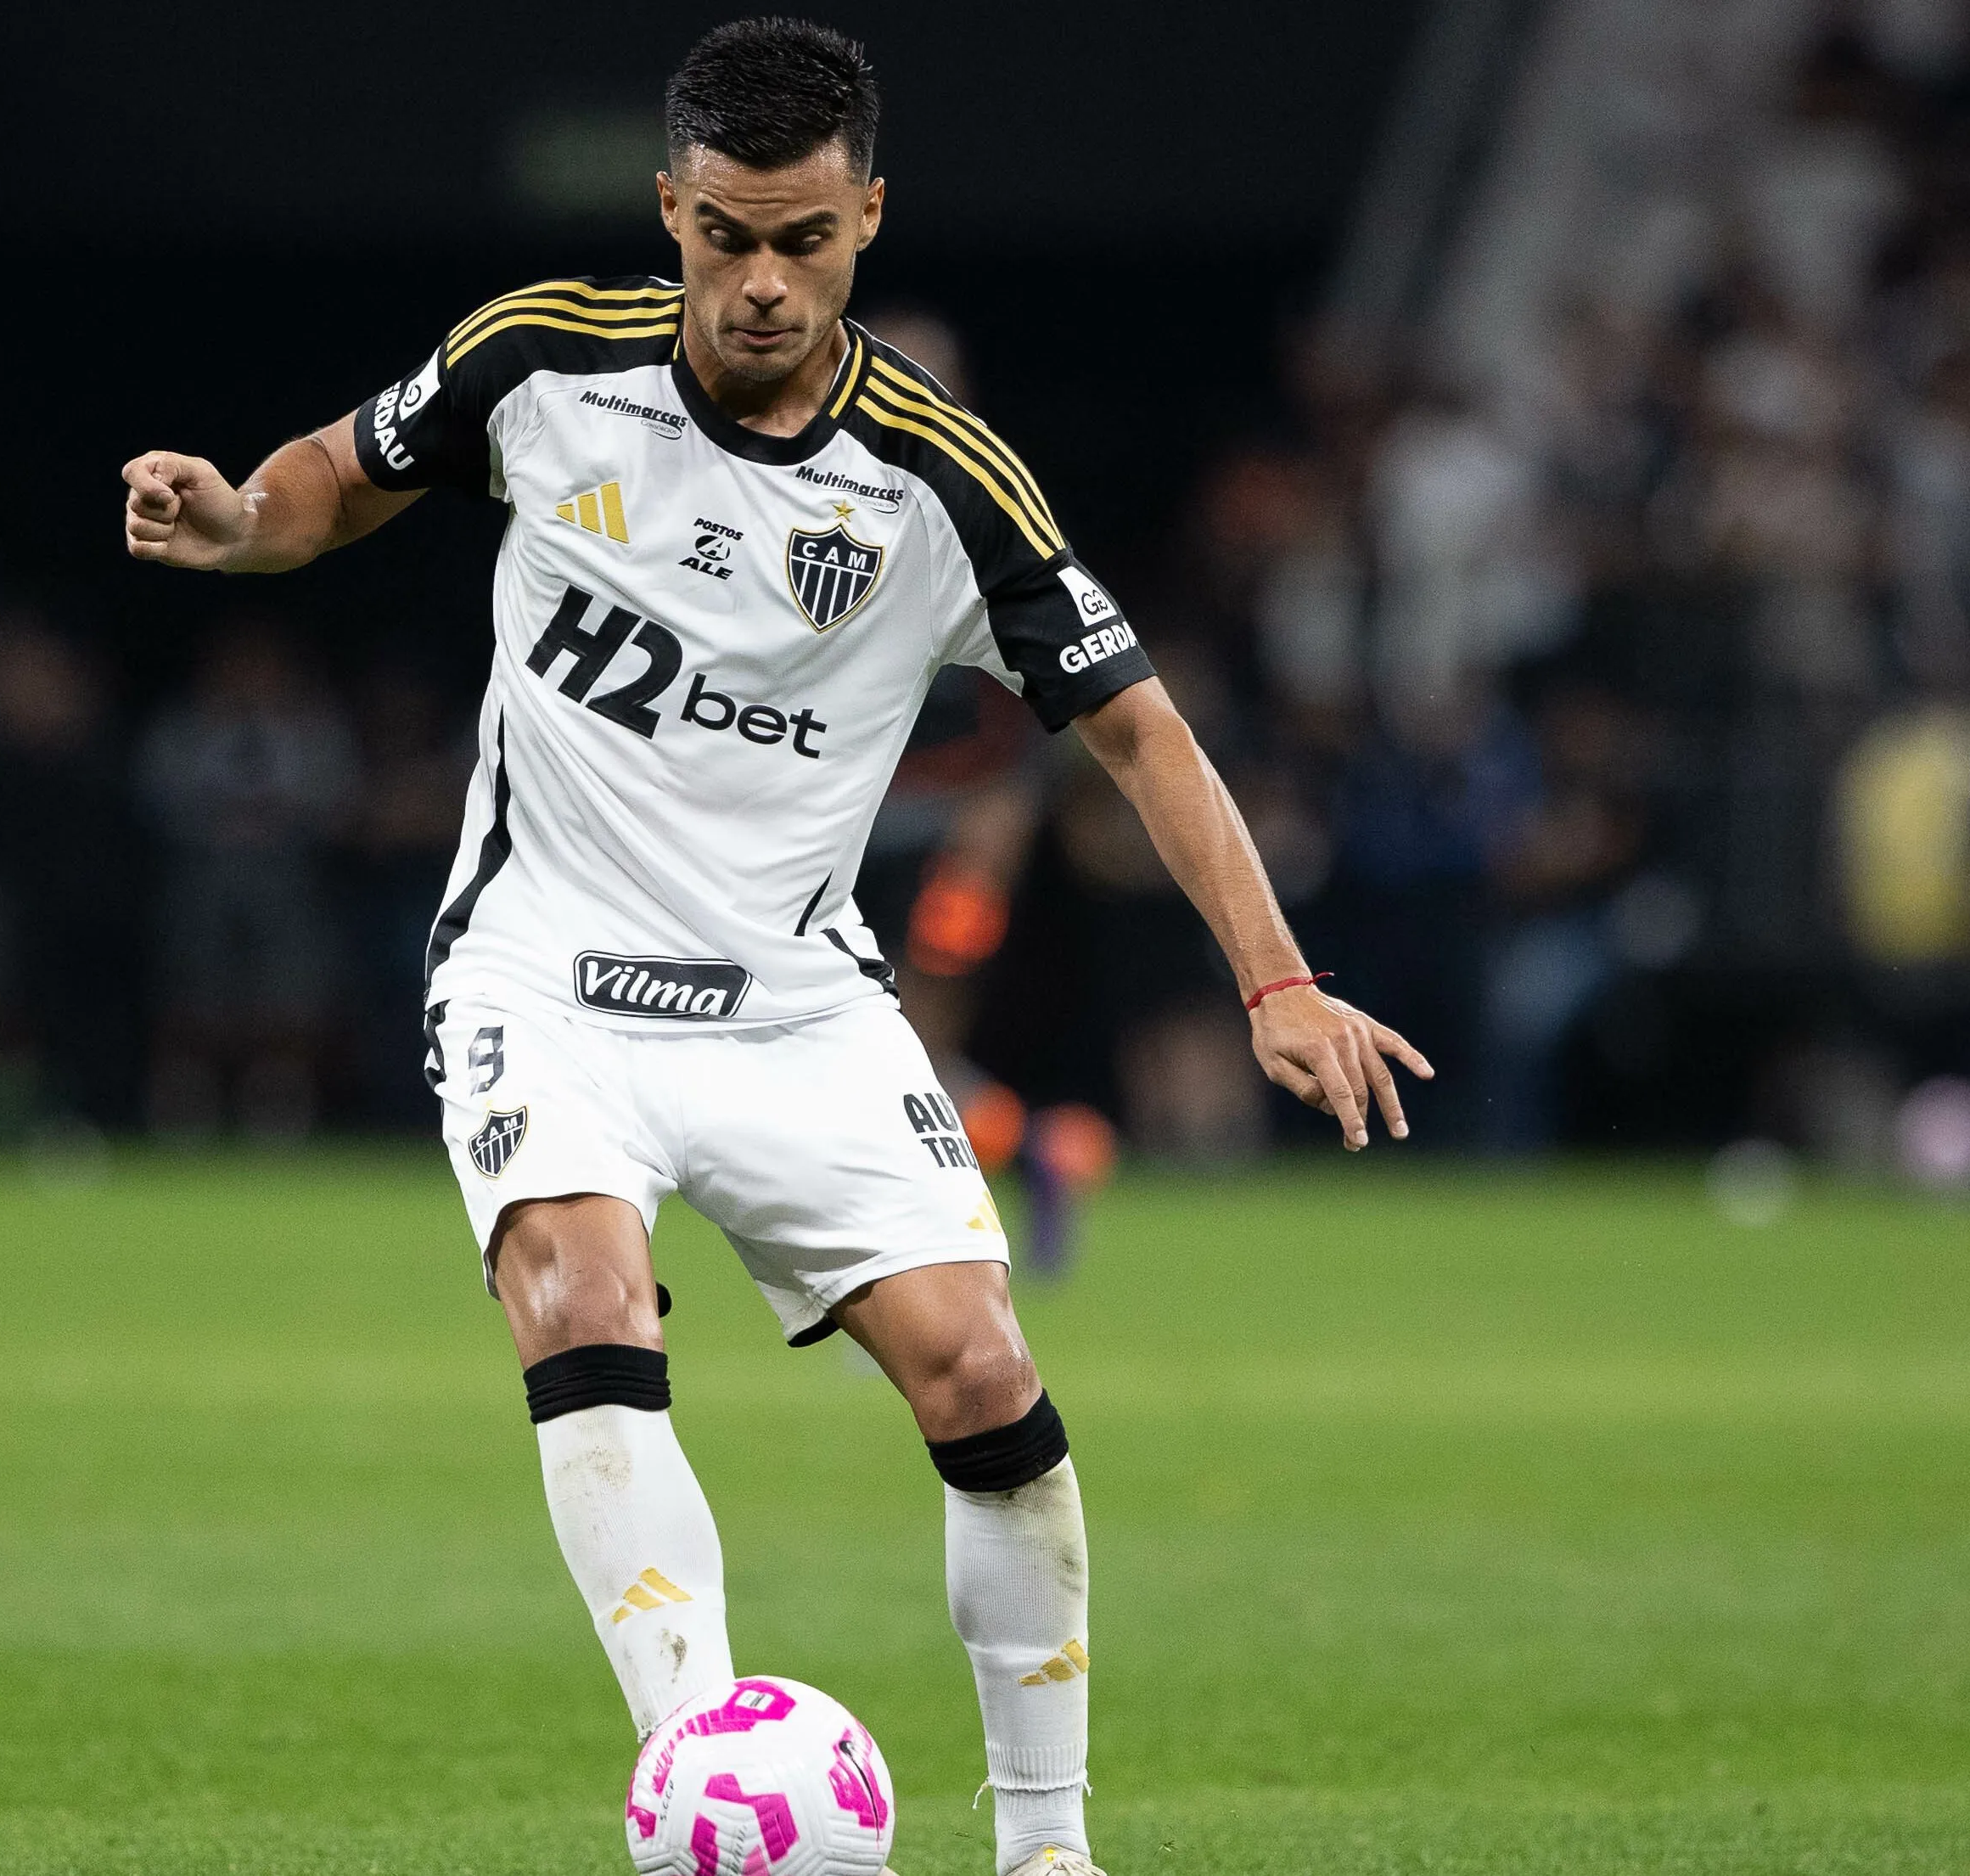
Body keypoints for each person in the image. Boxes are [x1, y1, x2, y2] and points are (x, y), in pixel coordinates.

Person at [115, 23, 1429, 1876]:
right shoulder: (541, 358)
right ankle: (712, 1797)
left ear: (869, 217)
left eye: (802, 241)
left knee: (981, 1374)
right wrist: (242, 521)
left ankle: (1047, 1849)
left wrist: (1274, 979)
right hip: (543, 969)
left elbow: (1138, 725)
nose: (756, 281)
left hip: (796, 1004)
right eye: (724, 233)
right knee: (578, 1298)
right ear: (668, 207)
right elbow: (343, 470)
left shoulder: (941, 480)